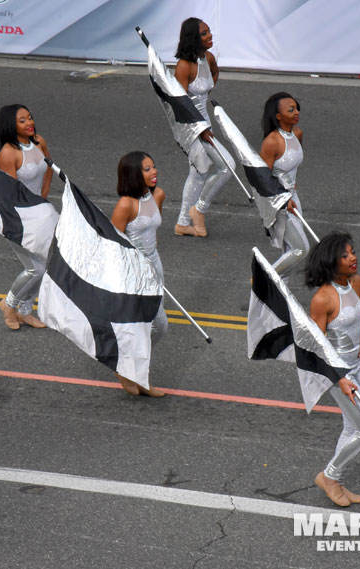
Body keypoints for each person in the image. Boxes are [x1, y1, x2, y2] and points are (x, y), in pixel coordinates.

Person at [306, 231, 360, 507]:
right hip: (337, 376)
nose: (353, 258)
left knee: (353, 427)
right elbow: (317, 348)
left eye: (353, 252)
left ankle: (335, 479)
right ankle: (329, 476)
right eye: (345, 255)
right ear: (331, 262)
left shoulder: (357, 283)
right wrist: (340, 378)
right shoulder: (323, 299)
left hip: (356, 367)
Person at [110, 151, 168, 397]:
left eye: (153, 166)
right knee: (156, 325)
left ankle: (130, 369)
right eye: (146, 169)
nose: (153, 171)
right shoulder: (126, 204)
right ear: (133, 174)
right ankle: (133, 372)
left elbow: (153, 230)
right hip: (133, 272)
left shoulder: (158, 195)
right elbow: (112, 243)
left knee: (154, 327)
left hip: (155, 266)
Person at [173, 17, 234, 237]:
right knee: (228, 166)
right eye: (205, 33)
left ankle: (182, 223)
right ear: (193, 38)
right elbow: (179, 103)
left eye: (209, 32)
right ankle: (199, 210)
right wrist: (199, 129)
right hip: (190, 126)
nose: (210, 36)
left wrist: (205, 94)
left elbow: (213, 75)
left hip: (204, 122)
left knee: (198, 172)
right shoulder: (184, 66)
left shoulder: (208, 58)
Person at [0, 103, 55, 330]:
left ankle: (25, 311)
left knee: (45, 265)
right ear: (11, 125)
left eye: (30, 117)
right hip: (18, 219)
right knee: (35, 268)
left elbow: (49, 168)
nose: (29, 122)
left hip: (41, 214)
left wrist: (44, 197)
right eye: (22, 120)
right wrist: (29, 212)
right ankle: (9, 305)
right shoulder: (8, 153)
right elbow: (9, 193)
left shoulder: (39, 142)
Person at [259, 92, 310, 282]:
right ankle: (263, 278)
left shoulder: (297, 133)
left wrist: (291, 192)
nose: (296, 112)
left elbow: (293, 166)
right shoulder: (271, 142)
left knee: (289, 252)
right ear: (278, 116)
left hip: (293, 199)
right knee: (300, 248)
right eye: (291, 109)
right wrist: (281, 199)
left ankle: (281, 299)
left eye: (297, 108)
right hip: (277, 203)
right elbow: (262, 179)